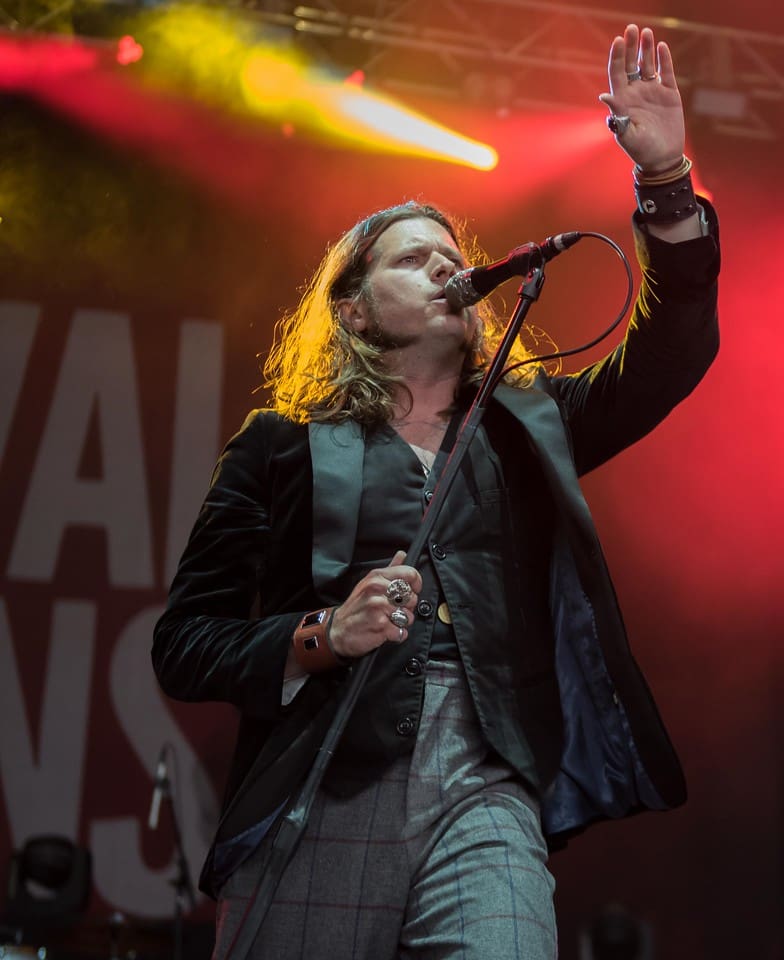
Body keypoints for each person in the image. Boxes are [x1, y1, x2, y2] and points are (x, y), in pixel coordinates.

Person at [153, 23, 720, 960]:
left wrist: (663, 179)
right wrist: (321, 635)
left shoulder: (529, 423)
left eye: (451, 256)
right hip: (325, 775)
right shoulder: (280, 446)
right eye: (412, 260)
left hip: (488, 780)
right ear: (353, 308)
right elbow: (184, 643)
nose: (446, 268)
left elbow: (672, 354)